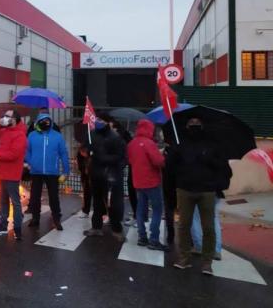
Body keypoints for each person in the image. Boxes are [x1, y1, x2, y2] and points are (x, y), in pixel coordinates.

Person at [170, 117, 228, 275]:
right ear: (186, 126)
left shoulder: (212, 145)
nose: (194, 125)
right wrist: (174, 154)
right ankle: (184, 258)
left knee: (208, 227)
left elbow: (222, 167)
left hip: (206, 190)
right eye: (191, 123)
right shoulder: (180, 144)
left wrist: (209, 161)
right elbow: (171, 167)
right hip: (185, 189)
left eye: (197, 123)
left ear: (202, 126)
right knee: (183, 226)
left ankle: (207, 262)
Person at [83, 115, 127, 242]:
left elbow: (120, 157)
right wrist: (88, 150)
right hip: (96, 174)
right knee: (96, 202)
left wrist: (103, 157)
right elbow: (86, 148)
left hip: (111, 174)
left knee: (113, 204)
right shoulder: (92, 134)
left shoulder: (115, 137)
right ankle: (96, 227)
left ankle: (117, 229)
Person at [127, 119, 169, 251]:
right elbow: (159, 162)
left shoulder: (132, 143)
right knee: (157, 210)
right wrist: (162, 156)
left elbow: (130, 160)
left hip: (138, 181)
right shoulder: (150, 143)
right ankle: (154, 239)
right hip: (151, 181)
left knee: (140, 209)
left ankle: (142, 237)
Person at [0, 110, 28, 241]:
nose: (4, 118)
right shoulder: (3, 131)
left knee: (15, 202)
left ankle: (17, 228)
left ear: (14, 119)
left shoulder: (20, 135)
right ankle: (3, 225)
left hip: (11, 174)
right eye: (3, 115)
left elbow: (13, 155)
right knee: (3, 200)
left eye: (7, 116)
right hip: (0, 172)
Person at [25, 113, 70, 230]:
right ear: (38, 122)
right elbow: (27, 151)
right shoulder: (32, 135)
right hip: (36, 172)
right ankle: (35, 218)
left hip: (52, 172)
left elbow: (63, 153)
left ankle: (56, 218)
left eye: (48, 121)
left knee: (54, 197)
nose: (46, 123)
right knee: (35, 197)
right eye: (43, 121)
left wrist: (66, 171)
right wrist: (31, 162)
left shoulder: (57, 136)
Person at [76, 144, 92, 218]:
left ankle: (103, 213)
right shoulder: (79, 155)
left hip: (95, 175)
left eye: (84, 152)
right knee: (86, 194)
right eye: (82, 152)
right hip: (85, 176)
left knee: (99, 195)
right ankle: (85, 211)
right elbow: (79, 165)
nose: (83, 154)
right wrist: (84, 169)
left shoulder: (92, 151)